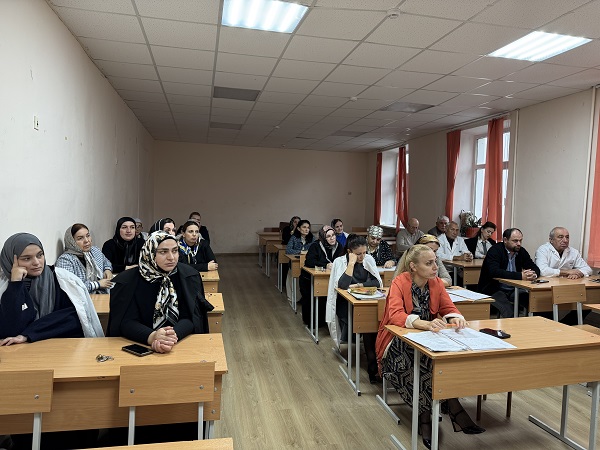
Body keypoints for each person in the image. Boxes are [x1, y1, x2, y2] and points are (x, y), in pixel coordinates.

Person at [376, 245, 484, 449]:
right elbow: (395, 315)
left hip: (428, 339)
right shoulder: (399, 282)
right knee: (423, 363)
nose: (436, 267)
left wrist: (455, 317)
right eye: (429, 263)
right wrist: (423, 324)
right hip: (398, 342)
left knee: (439, 361)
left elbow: (448, 307)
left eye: (435, 261)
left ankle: (436, 412)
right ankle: (435, 414)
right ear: (413, 266)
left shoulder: (435, 283)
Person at [107, 231, 213, 352]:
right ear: (150, 252)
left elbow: (191, 316)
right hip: (139, 343)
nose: (171, 257)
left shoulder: (189, 276)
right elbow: (125, 322)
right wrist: (152, 337)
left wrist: (171, 337)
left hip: (181, 343)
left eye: (175, 251)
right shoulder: (125, 281)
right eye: (163, 252)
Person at [0, 233, 103, 345]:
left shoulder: (62, 280)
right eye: (27, 258)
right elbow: (10, 328)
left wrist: (28, 334)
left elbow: (75, 318)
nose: (36, 262)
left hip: (59, 346)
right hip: (19, 350)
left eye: (40, 255)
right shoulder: (4, 285)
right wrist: (15, 284)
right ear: (10, 260)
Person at [326, 234, 382, 383]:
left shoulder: (368, 259)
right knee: (367, 323)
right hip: (346, 305)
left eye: (364, 253)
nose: (362, 257)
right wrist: (351, 263)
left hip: (365, 302)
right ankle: (372, 367)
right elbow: (343, 285)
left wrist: (358, 285)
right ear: (350, 252)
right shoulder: (340, 262)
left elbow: (377, 282)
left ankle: (374, 366)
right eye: (358, 254)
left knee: (371, 324)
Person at [477, 228, 540, 318]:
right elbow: (494, 272)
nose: (519, 244)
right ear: (505, 240)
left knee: (534, 304)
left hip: (515, 289)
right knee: (509, 311)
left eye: (520, 240)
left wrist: (533, 274)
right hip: (494, 289)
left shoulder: (521, 251)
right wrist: (520, 276)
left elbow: (534, 267)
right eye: (515, 241)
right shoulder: (495, 250)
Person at [299, 225, 344, 326]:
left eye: (333, 235)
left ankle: (328, 323)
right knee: (313, 300)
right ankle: (312, 323)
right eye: (328, 236)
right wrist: (325, 265)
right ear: (323, 237)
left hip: (330, 278)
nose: (332, 238)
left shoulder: (339, 246)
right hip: (309, 279)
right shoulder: (315, 246)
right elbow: (309, 262)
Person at [56, 224, 114, 293]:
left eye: (88, 235)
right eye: (80, 238)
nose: (86, 240)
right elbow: (70, 286)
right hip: (83, 298)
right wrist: (97, 284)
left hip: (103, 294)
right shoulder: (66, 260)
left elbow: (106, 261)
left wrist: (107, 269)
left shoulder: (94, 251)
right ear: (71, 242)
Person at [286, 220, 314, 303]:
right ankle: (294, 298)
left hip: (307, 264)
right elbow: (288, 250)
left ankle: (305, 298)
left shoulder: (312, 238)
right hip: (295, 262)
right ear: (298, 228)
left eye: (308, 227)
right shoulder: (294, 238)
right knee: (294, 277)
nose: (307, 229)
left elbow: (315, 250)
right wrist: (301, 252)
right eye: (304, 227)